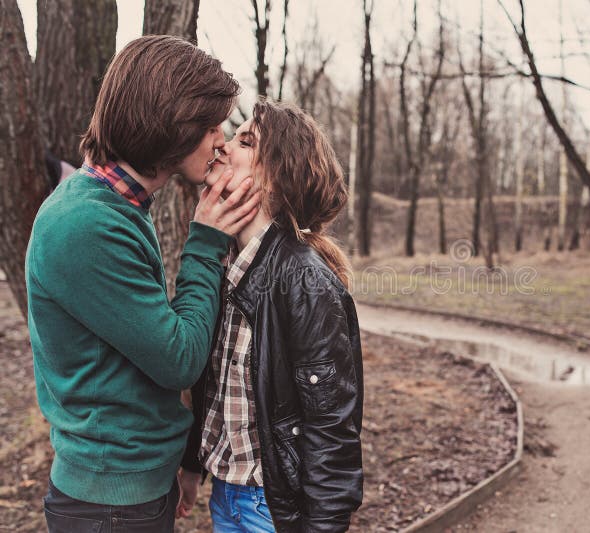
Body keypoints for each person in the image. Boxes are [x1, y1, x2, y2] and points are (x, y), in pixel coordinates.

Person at [26, 35, 261, 532]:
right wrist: (205, 240)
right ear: (170, 124)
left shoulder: (114, 207)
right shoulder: (88, 224)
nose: (221, 139)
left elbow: (133, 356)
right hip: (110, 504)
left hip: (128, 490)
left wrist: (176, 460)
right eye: (210, 125)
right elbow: (178, 359)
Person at [179, 99, 364, 533]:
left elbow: (333, 430)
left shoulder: (303, 281)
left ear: (275, 177)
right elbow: (210, 384)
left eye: (245, 141)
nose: (223, 147)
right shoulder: (224, 262)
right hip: (226, 495)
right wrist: (192, 465)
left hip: (272, 509)